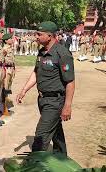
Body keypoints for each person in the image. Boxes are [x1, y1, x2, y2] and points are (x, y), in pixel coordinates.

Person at [16, 21, 75, 156]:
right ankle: (61, 158)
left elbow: (70, 82)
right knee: (55, 131)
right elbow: (36, 73)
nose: (36, 36)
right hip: (42, 99)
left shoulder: (62, 54)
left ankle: (35, 165)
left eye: (39, 34)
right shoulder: (42, 52)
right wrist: (24, 90)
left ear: (50, 36)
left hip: (55, 101)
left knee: (40, 136)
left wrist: (67, 105)